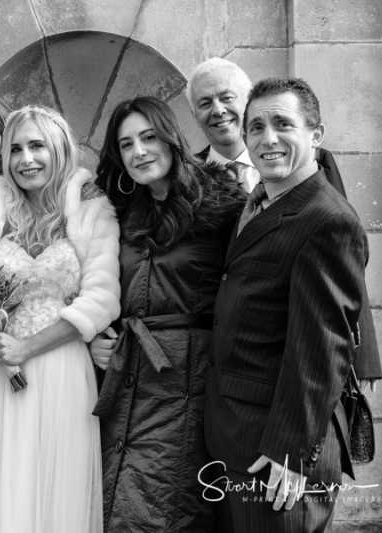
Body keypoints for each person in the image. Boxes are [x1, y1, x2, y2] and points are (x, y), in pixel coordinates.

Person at [0, 105, 120, 533]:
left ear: (59, 149)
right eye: (15, 148)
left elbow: (102, 299)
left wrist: (28, 347)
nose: (25, 159)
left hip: (62, 369)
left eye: (37, 146)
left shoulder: (92, 209)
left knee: (56, 489)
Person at [204, 77, 368, 532]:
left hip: (277, 453)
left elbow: (322, 347)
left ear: (315, 134)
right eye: (255, 127)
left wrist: (290, 451)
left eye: (282, 124)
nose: (267, 138)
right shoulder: (259, 200)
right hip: (234, 433)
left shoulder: (327, 220)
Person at [89, 96, 245, 532]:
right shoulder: (119, 212)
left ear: (172, 138)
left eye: (148, 137)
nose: (138, 152)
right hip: (125, 375)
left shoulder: (223, 201)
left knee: (170, 504)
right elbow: (96, 283)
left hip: (188, 377)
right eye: (126, 144)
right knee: (115, 499)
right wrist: (98, 336)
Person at [186, 57, 382, 389]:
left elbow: (344, 258)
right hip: (225, 360)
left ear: (247, 101)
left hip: (301, 351)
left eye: (226, 97)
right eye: (205, 103)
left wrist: (364, 359)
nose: (217, 110)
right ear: (195, 115)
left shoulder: (312, 162)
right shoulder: (187, 178)